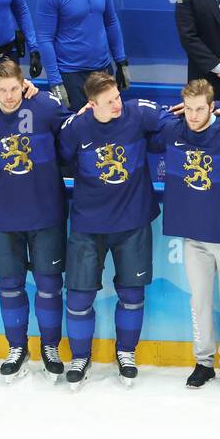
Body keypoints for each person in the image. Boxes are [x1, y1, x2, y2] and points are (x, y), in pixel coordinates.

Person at [0, 61, 71, 384]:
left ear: (24, 84)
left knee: (49, 286)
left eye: (14, 89)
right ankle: (17, 347)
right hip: (2, 217)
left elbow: (77, 131)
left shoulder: (46, 107)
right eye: (2, 90)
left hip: (46, 213)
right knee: (9, 286)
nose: (9, 97)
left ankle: (50, 347)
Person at [56, 72, 168, 389]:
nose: (117, 104)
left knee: (132, 294)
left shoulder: (137, 112)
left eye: (117, 96)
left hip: (132, 221)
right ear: (91, 105)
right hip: (88, 224)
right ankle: (80, 356)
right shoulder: (77, 127)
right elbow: (62, 158)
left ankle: (126, 353)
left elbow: (172, 122)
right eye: (108, 102)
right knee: (79, 296)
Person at [161, 79, 220, 391]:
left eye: (201, 109)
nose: (193, 115)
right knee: (199, 300)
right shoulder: (173, 130)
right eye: (188, 109)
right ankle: (203, 362)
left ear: (212, 107)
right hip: (194, 236)